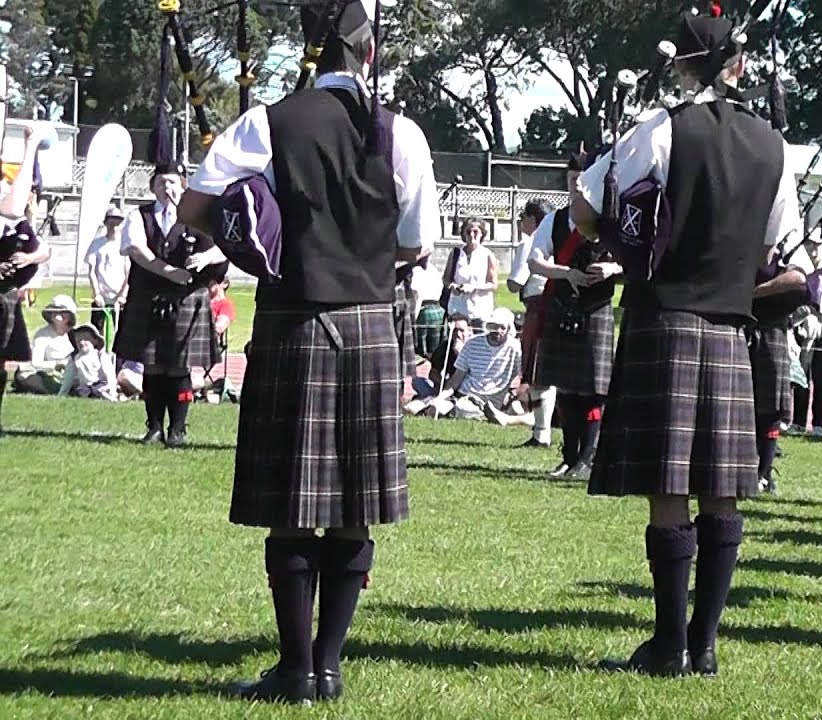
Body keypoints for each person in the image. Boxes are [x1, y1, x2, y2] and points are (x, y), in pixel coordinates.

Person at [177, 0, 440, 703]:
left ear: (310, 49)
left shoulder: (267, 123)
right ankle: (328, 666)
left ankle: (295, 670)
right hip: (370, 324)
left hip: (293, 322)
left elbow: (193, 209)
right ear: (369, 52)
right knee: (353, 503)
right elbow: (416, 243)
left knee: (292, 504)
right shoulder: (402, 133)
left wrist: (256, 232)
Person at [572, 7, 801, 676]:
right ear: (738, 66)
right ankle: (704, 646)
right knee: (722, 490)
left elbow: (585, 211)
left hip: (664, 321)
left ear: (680, 67)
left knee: (669, 486)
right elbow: (774, 242)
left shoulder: (659, 129)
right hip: (731, 329)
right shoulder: (775, 145)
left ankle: (668, 646)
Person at [113, 162, 222, 448]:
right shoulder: (139, 216)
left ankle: (177, 429)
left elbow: (224, 247)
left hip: (188, 299)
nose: (166, 187)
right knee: (151, 367)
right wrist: (169, 272)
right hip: (148, 297)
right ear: (152, 187)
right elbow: (136, 249)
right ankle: (154, 427)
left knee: (178, 367)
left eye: (172, 182)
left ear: (183, 186)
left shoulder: (199, 217)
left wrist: (205, 258)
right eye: (161, 182)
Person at [529, 155, 621, 479]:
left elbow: (636, 259)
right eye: (572, 181)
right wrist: (566, 273)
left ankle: (588, 457)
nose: (577, 187)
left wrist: (612, 268)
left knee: (594, 389)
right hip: (562, 307)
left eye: (582, 180)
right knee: (566, 388)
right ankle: (569, 457)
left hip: (596, 310)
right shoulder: (554, 220)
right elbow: (534, 262)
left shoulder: (610, 221)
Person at [751, 210, 816, 493]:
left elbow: (799, 279)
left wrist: (754, 291)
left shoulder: (787, 234)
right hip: (734, 322)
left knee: (770, 408)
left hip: (770, 326)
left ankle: (764, 473)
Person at [0, 125, 52, 432]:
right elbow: (13, 206)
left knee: (1, 361)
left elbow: (42, 249)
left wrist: (27, 259)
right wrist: (30, 146)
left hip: (5, 296)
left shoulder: (16, 222)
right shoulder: (9, 210)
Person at [509, 197, 558, 449]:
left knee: (536, 369)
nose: (521, 222)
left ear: (532, 219)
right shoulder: (556, 240)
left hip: (537, 308)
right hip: (555, 306)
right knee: (547, 370)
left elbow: (515, 282)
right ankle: (543, 430)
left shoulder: (528, 242)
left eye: (524, 217)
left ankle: (541, 433)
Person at [422, 307, 522, 419]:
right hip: (465, 394)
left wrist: (513, 394)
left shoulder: (516, 348)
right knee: (427, 407)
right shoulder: (472, 343)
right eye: (494, 326)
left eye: (502, 327)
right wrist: (440, 398)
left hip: (491, 400)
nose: (498, 331)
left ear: (509, 329)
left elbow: (522, 377)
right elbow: (456, 379)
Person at [791, 234, 822, 438]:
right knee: (801, 376)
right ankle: (798, 421)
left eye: (817, 245)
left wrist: (818, 309)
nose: (812, 249)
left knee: (819, 376)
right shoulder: (800, 268)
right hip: (802, 329)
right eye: (809, 244)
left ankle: (819, 423)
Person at [13, 294, 75, 395]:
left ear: (70, 316)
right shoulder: (42, 335)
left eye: (62, 311)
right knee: (27, 378)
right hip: (44, 374)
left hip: (70, 375)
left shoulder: (76, 334)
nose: (57, 314)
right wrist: (57, 364)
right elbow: (36, 363)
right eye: (54, 310)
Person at [85, 205, 131, 339]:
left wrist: (123, 294)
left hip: (120, 297)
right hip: (101, 296)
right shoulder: (96, 244)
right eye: (111, 223)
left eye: (117, 223)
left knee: (122, 332)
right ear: (105, 223)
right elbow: (92, 271)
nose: (114, 227)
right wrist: (97, 294)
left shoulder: (125, 245)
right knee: (97, 332)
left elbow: (128, 272)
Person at [444, 217, 498, 321]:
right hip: (457, 309)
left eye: (475, 232)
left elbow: (493, 284)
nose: (472, 235)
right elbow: (446, 279)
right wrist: (453, 286)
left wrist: (474, 287)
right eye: (468, 232)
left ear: (482, 234)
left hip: (480, 311)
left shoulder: (488, 255)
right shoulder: (456, 254)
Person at [59, 323, 120, 401]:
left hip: (101, 385)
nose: (81, 342)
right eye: (78, 339)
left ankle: (110, 398)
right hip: (85, 389)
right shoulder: (75, 359)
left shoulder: (100, 356)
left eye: (86, 339)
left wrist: (111, 389)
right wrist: (61, 394)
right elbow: (68, 378)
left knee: (100, 391)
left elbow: (110, 374)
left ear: (95, 341)